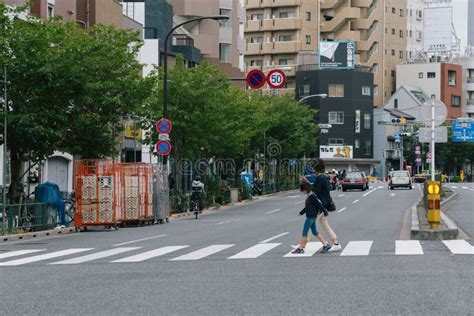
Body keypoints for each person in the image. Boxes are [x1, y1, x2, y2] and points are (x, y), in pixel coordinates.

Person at [308, 158, 342, 252]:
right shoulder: (324, 177)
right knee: (324, 225)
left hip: (321, 205)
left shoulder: (321, 178)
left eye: (313, 167)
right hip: (324, 205)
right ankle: (336, 243)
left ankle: (302, 245)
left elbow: (315, 192)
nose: (312, 169)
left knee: (309, 223)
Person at [292, 181, 332, 254]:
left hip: (311, 217)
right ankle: (326, 244)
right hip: (312, 216)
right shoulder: (310, 195)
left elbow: (319, 204)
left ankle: (300, 248)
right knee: (314, 232)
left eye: (302, 190)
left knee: (305, 232)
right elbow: (308, 206)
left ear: (305, 189)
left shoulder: (312, 196)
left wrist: (325, 212)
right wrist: (302, 212)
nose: (302, 192)